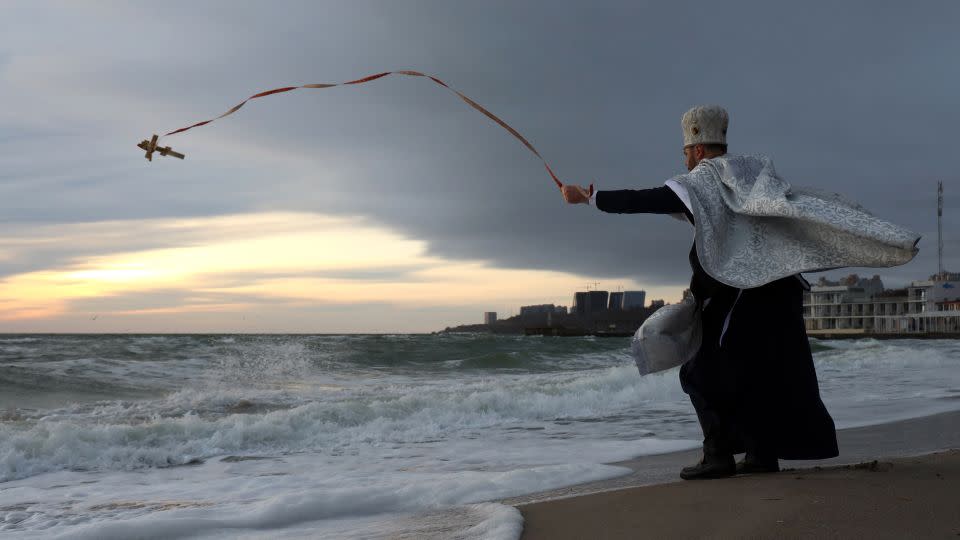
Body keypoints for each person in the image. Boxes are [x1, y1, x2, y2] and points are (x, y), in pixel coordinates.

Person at [559, 105, 918, 480]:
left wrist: (590, 198)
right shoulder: (748, 177)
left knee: (699, 371)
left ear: (697, 149)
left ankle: (718, 456)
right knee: (760, 374)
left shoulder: (704, 179)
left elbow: (650, 199)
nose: (683, 160)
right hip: (780, 289)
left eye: (685, 152)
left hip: (746, 291)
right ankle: (762, 455)